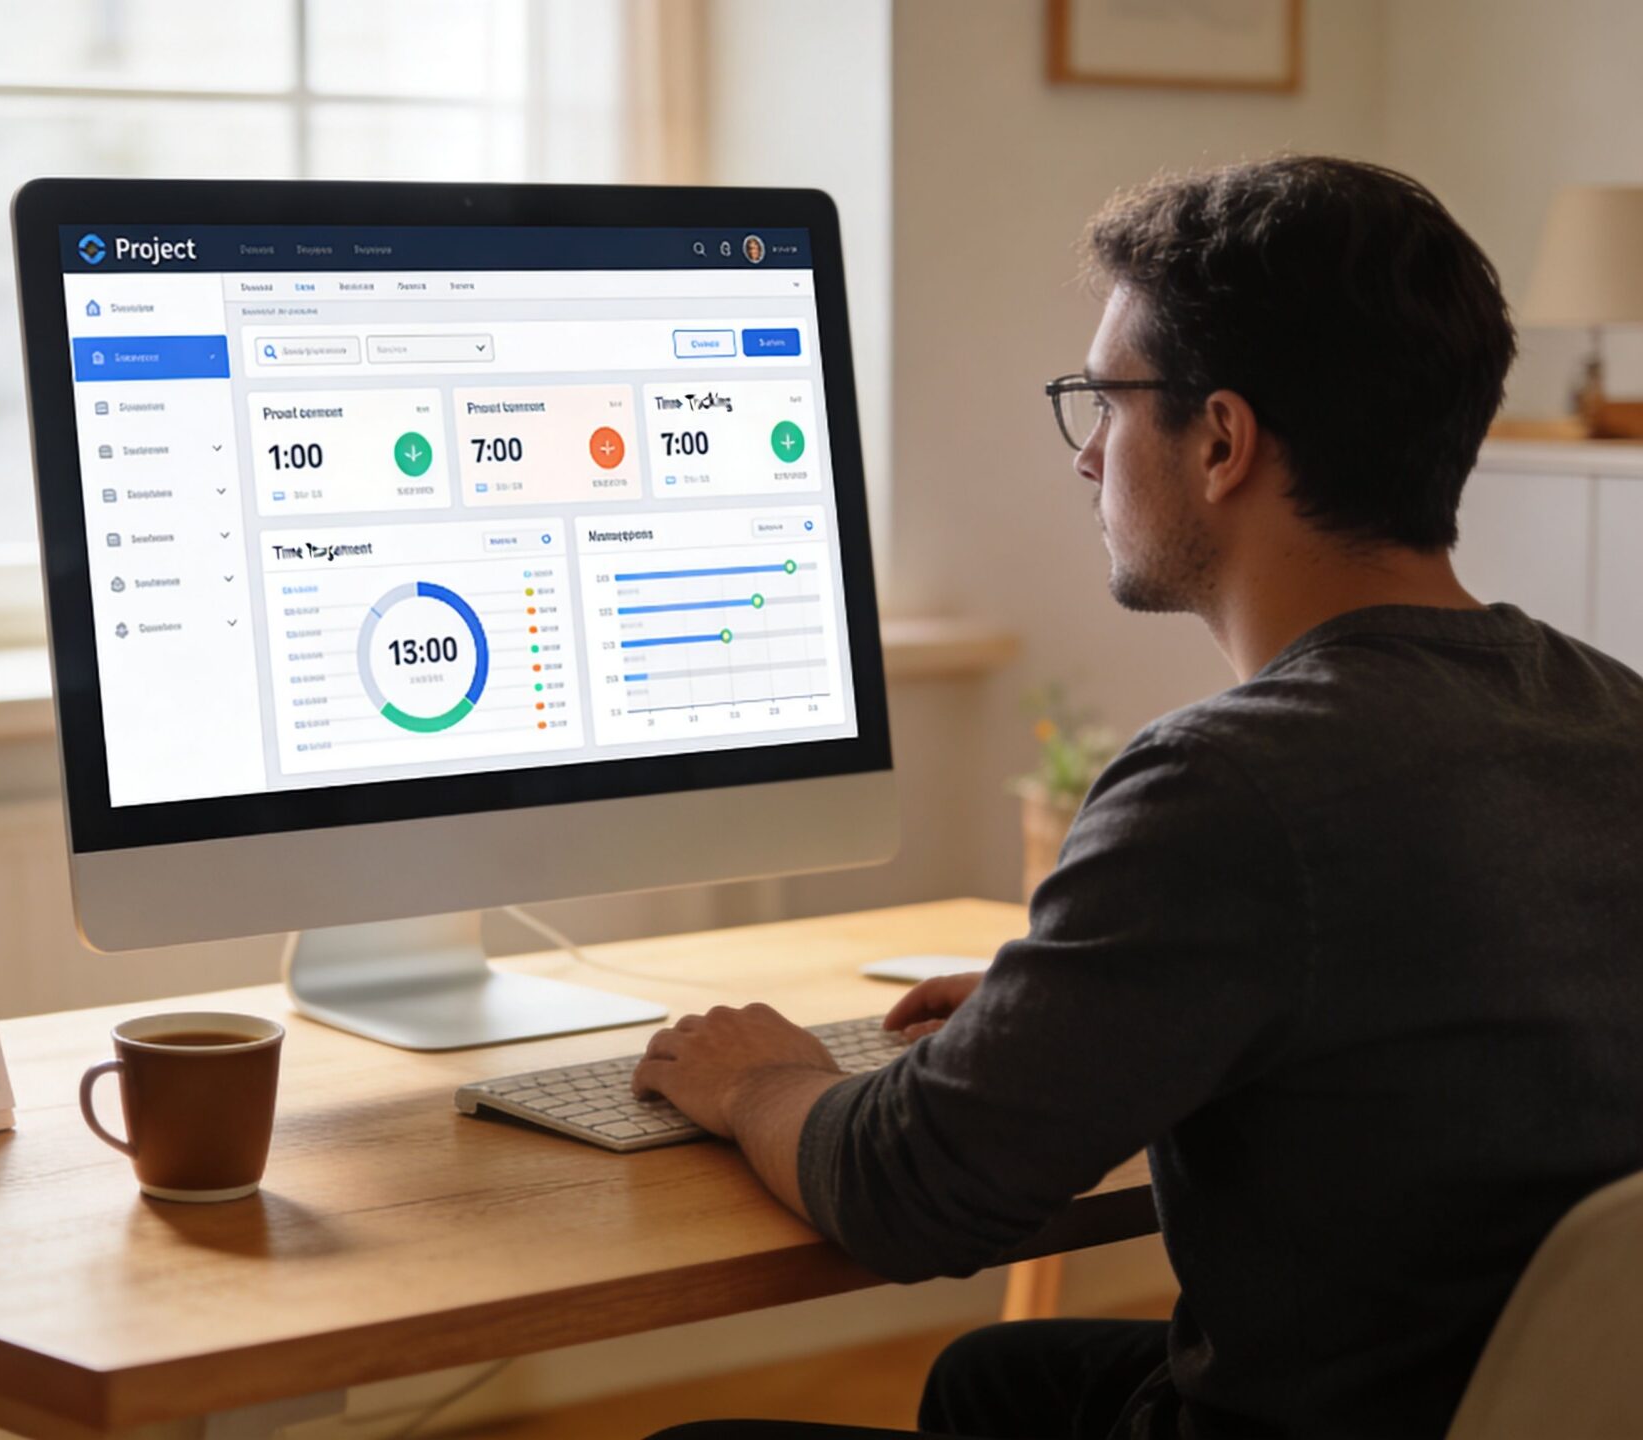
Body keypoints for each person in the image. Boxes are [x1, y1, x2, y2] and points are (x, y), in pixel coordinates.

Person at [636, 155, 1643, 1440]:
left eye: (1102, 403)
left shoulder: (1232, 782)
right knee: (992, 1382)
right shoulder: (1610, 710)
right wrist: (1077, 1009)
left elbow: (912, 1193)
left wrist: (759, 1080)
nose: (1086, 460)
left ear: (1220, 440)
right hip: (1514, 1398)